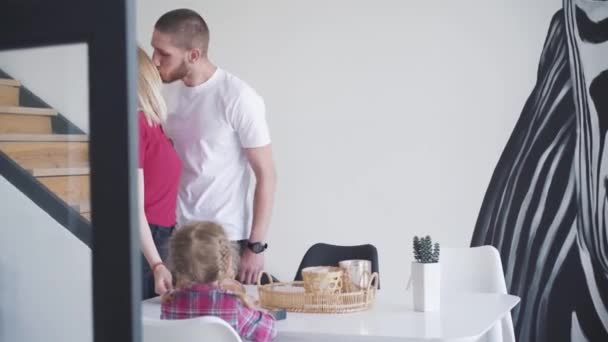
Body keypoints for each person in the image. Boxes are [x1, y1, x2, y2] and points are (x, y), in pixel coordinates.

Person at [151, 9, 277, 284]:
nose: (155, 61)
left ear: (193, 55)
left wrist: (256, 246)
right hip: (179, 236)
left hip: (225, 240)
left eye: (164, 53)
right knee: (180, 322)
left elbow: (266, 174)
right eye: (154, 50)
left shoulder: (239, 98)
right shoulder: (166, 93)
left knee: (225, 324)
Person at [161, 221, 277, 342]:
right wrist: (254, 309)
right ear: (227, 262)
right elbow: (269, 330)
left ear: (177, 265)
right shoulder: (233, 304)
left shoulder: (169, 302)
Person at [136, 47, 182, 299]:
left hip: (163, 237)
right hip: (146, 242)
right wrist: (156, 263)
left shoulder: (153, 124)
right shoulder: (136, 126)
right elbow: (134, 207)